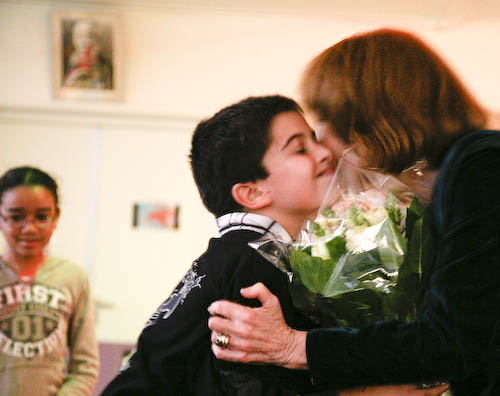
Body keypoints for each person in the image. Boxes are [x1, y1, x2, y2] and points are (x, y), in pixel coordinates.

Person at [207, 28, 499, 396]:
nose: (325, 144)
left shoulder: (481, 167)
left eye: (330, 119)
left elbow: (450, 340)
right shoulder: (456, 172)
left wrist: (296, 346)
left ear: (372, 115)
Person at [99, 95, 443, 396]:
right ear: (252, 193)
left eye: (314, 139)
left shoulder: (236, 252)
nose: (324, 152)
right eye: (300, 148)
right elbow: (249, 388)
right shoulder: (255, 263)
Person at [0, 166, 99, 395]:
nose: (30, 228)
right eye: (16, 217)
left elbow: (85, 366)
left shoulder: (73, 278)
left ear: (56, 216)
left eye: (42, 216)